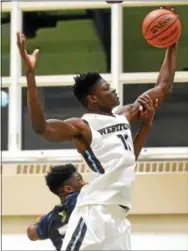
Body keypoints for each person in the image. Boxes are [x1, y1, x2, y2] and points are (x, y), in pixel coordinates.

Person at [17, 11, 177, 248]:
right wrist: (30, 74)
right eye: (106, 88)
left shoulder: (125, 115)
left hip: (119, 218)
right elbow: (41, 128)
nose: (113, 90)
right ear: (92, 99)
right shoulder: (82, 126)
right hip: (94, 213)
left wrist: (171, 44)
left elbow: (164, 87)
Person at [27, 96, 157, 251]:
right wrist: (146, 125)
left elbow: (31, 232)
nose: (86, 183)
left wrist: (41, 220)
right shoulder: (85, 200)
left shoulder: (52, 218)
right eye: (80, 179)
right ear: (68, 189)